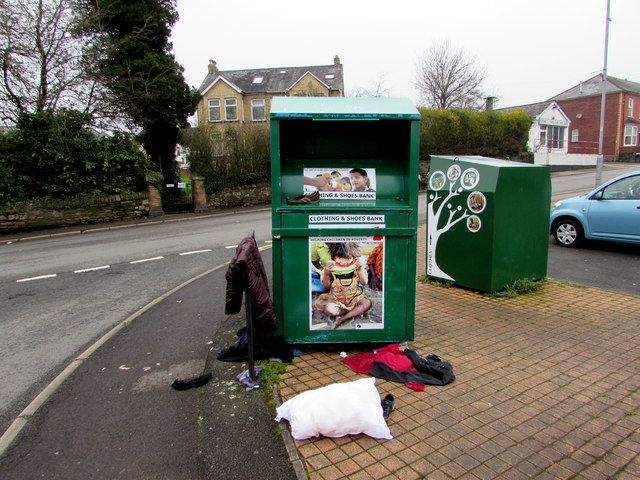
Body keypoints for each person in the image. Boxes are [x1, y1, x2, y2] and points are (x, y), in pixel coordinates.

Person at [314, 242, 372, 329]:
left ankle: (342, 318)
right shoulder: (329, 269)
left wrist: (359, 270)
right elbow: (326, 286)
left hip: (354, 297)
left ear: (353, 258)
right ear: (333, 258)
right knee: (329, 310)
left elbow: (364, 283)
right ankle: (352, 311)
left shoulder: (357, 267)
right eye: (340, 258)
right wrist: (326, 273)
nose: (344, 262)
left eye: (348, 258)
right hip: (336, 298)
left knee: (367, 303)